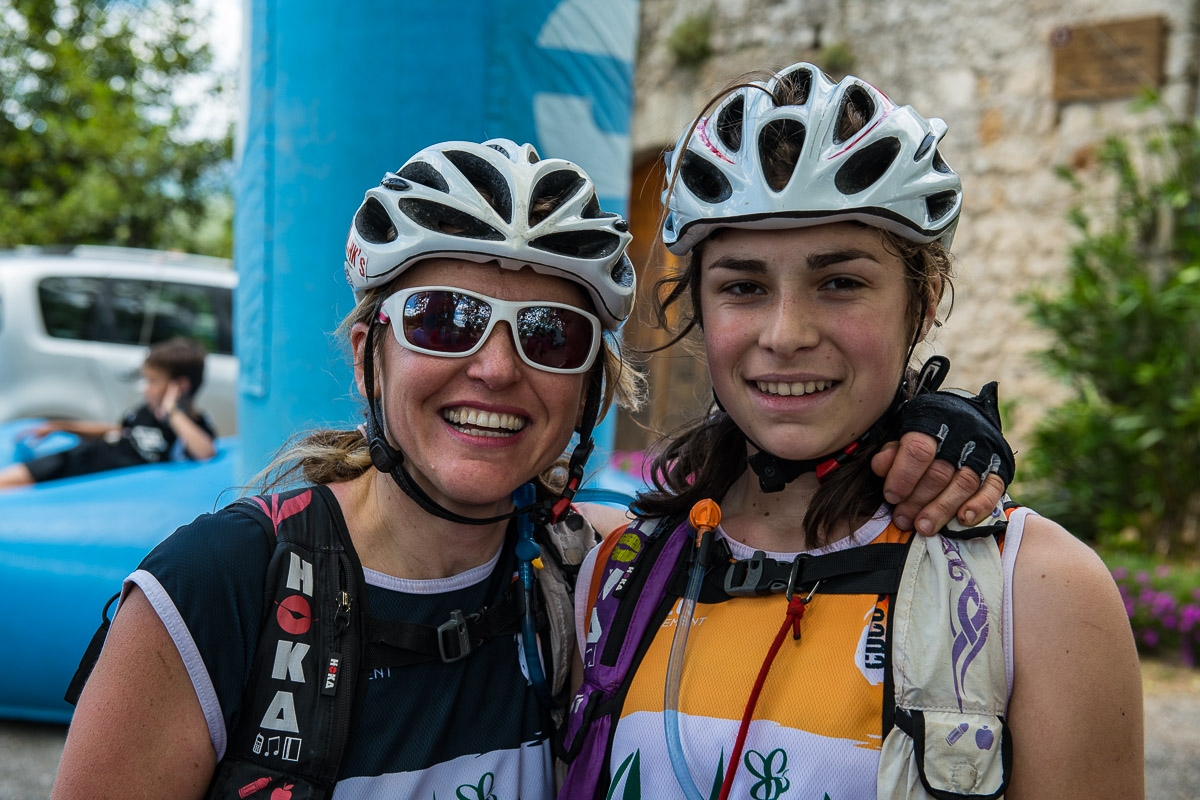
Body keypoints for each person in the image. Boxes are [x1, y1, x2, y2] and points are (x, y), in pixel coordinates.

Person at [53, 139, 1008, 800]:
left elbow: (775, 508)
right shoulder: (221, 591)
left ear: (592, 387)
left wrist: (923, 427)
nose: (497, 370)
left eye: (549, 335)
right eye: (443, 320)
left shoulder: (587, 570)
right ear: (368, 353)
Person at [560, 63, 1143, 799]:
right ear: (698, 310)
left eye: (840, 283)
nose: (787, 333)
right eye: (743, 286)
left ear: (923, 299)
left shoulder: (1040, 592)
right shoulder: (613, 573)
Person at [0, 336, 216, 489]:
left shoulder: (189, 425)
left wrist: (173, 411)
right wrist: (62, 426)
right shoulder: (146, 412)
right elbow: (120, 431)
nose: (144, 388)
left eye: (152, 381)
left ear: (180, 386)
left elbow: (204, 452)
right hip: (82, 460)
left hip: (96, 481)